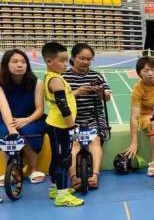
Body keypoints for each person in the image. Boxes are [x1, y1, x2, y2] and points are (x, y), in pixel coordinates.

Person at [62, 43, 111, 189]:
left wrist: (100, 92)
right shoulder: (64, 77)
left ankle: (95, 175)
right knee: (74, 143)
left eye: (89, 59)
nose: (85, 62)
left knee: (95, 140)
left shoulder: (96, 75)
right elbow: (59, 100)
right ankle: (74, 177)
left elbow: (107, 97)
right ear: (73, 58)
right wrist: (76, 93)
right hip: (73, 119)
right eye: (81, 58)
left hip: (94, 117)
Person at [42, 42, 84, 207]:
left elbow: (64, 98)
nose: (66, 64)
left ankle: (55, 188)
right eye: (62, 61)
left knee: (56, 158)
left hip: (55, 124)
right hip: (60, 126)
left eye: (67, 60)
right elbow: (63, 105)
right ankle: (62, 195)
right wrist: (72, 127)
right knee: (63, 159)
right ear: (49, 61)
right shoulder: (56, 80)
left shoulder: (52, 77)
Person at [0, 49, 46, 186]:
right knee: (6, 135)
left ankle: (33, 169)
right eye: (14, 62)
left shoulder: (37, 83)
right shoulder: (1, 83)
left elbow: (40, 110)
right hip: (6, 118)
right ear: (6, 65)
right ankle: (9, 171)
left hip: (31, 118)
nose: (19, 65)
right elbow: (4, 107)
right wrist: (12, 129)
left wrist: (26, 120)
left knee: (28, 132)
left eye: (23, 62)